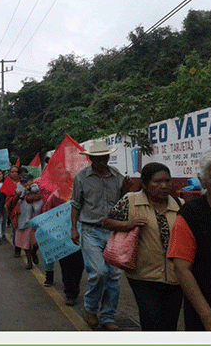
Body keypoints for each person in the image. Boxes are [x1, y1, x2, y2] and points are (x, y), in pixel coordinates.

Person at [104, 163, 183, 331]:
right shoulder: (131, 200)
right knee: (151, 321)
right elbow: (107, 222)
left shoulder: (180, 205)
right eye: (157, 181)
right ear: (146, 184)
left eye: (167, 181)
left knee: (170, 325)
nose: (164, 186)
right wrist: (128, 224)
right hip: (142, 276)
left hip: (175, 277)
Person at [70, 140, 132, 331]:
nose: (101, 161)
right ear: (90, 158)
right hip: (90, 230)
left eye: (104, 157)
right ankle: (90, 309)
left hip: (113, 231)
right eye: (97, 158)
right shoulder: (81, 178)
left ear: (107, 157)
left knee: (114, 275)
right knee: (98, 272)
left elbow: (123, 201)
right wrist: (73, 229)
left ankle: (108, 316)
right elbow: (75, 204)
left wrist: (127, 189)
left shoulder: (117, 177)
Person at [168, 148, 211, 331]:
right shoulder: (190, 216)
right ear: (203, 181)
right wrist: (209, 318)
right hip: (208, 308)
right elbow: (182, 269)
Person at [15, 174, 42, 270]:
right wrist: (18, 198)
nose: (24, 183)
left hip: (35, 219)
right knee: (25, 243)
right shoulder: (15, 188)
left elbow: (40, 196)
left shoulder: (37, 186)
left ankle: (34, 252)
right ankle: (29, 261)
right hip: (22, 219)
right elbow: (10, 201)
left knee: (37, 241)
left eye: (26, 181)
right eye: (23, 182)